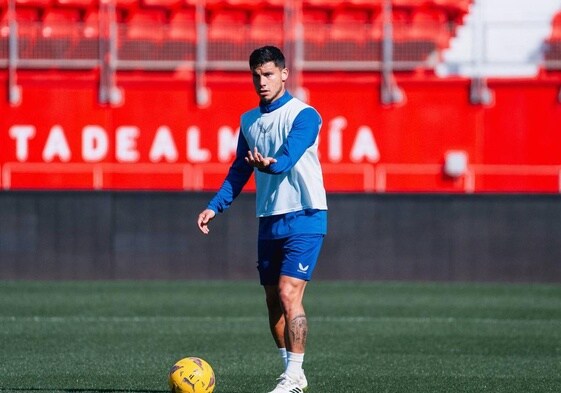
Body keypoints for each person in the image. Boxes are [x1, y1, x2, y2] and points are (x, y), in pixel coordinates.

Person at [197, 45, 327, 393]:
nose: (262, 81)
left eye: (268, 74)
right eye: (256, 75)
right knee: (272, 300)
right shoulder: (248, 121)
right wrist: (215, 205)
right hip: (269, 218)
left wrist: (269, 164)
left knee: (288, 293)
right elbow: (239, 169)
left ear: (284, 74)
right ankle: (293, 373)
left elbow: (286, 159)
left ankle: (293, 378)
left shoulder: (305, 115)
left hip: (305, 214)